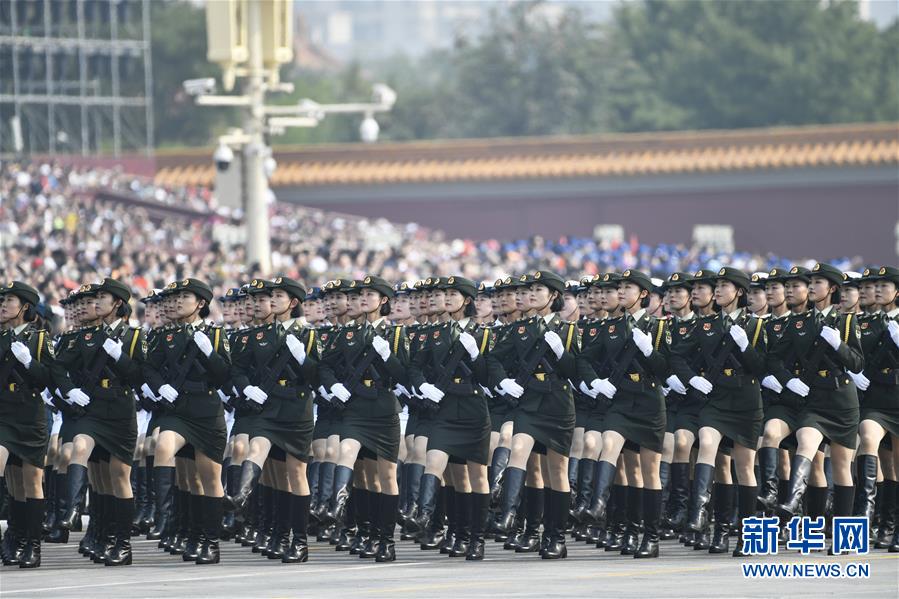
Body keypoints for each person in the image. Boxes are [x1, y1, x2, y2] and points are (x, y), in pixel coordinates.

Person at [575, 269, 672, 559]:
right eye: (620, 287)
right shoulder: (610, 326)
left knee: (646, 472)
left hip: (648, 401)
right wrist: (595, 382)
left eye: (627, 288)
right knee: (611, 445)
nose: (620, 292)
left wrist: (649, 349)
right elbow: (585, 359)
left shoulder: (658, 327)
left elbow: (665, 369)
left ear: (643, 294)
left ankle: (649, 536)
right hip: (620, 399)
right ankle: (599, 505)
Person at [672, 267, 767, 557]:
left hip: (746, 401)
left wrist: (744, 345)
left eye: (725, 286)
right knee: (708, 443)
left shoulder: (757, 326)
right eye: (718, 285)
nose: (718, 290)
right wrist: (692, 378)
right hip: (716, 399)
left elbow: (761, 368)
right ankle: (704, 515)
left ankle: (745, 534)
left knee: (743, 468)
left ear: (739, 292)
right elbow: (677, 355)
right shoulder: (706, 324)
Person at [226, 277, 319, 563]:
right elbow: (238, 368)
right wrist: (247, 387)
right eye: (272, 295)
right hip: (267, 408)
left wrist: (303, 356)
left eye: (279, 295)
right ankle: (240, 498)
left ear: (293, 303)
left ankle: (299, 541)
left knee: (293, 474)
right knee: (257, 450)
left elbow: (317, 376)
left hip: (295, 409)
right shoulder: (259, 333)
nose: (273, 299)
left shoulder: (308, 334)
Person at [52, 278, 145, 566]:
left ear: (117, 303)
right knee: (80, 449)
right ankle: (72, 511)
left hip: (119, 410)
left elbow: (140, 377)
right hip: (91, 408)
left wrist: (120, 356)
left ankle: (119, 541)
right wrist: (69, 390)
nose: (96, 303)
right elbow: (58, 367)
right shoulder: (85, 336)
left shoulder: (134, 337)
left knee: (115, 477)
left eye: (102, 298)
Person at [768, 263, 864, 538]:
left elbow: (857, 363)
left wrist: (838, 345)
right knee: (806, 443)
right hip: (813, 397)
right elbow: (775, 357)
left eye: (817, 283)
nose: (811, 287)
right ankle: (793, 502)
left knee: (843, 468)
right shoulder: (800, 321)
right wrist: (789, 380)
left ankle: (844, 534)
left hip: (841, 399)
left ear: (832, 289)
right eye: (809, 282)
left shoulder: (846, 321)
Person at [489, 270, 580, 559]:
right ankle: (510, 516)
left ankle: (555, 537)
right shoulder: (520, 329)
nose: (529, 294)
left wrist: (560, 351)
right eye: (528, 289)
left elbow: (575, 371)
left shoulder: (567, 330)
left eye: (537, 290)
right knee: (519, 450)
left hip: (557, 404)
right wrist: (503, 381)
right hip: (528, 403)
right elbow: (492, 360)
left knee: (555, 472)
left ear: (553, 296)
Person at [318, 276, 407, 562]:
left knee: (383, 477)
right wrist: (334, 386)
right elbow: (325, 367)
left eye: (371, 294)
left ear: (383, 301)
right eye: (361, 294)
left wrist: (387, 354)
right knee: (348, 454)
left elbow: (404, 375)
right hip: (354, 407)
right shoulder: (348, 333)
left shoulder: (395, 335)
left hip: (382, 409)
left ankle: (384, 538)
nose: (363, 299)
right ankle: (339, 508)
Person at [144, 278, 232, 565]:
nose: (178, 301)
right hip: (176, 409)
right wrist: (160, 386)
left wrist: (208, 351)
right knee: (163, 445)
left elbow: (223, 376)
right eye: (176, 297)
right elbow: (149, 368)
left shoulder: (215, 335)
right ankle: (166, 516)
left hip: (206, 410)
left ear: (201, 303)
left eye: (186, 296)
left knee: (206, 479)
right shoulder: (164, 335)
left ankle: (206, 540)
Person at [408, 276, 493, 560]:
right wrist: (423, 386)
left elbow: (486, 377)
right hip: (444, 407)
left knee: (475, 475)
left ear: (466, 301)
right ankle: (427, 516)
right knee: (438, 463)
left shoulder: (482, 333)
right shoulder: (436, 332)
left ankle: (475, 537)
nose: (445, 298)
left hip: (472, 409)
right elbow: (416, 367)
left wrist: (476, 353)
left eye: (452, 294)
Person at [0, 281, 55, 568]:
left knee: (28, 481)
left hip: (29, 412)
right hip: (3, 413)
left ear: (24, 307)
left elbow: (49, 378)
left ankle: (29, 542)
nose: (2, 306)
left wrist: (29, 362)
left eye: (9, 301)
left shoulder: (40, 339)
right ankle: (15, 535)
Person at [850, 267, 899, 551]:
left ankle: (890, 525)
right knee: (868, 439)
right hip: (876, 398)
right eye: (875, 286)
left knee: (894, 468)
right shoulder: (868, 321)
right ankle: (864, 519)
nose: (878, 290)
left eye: (885, 285)